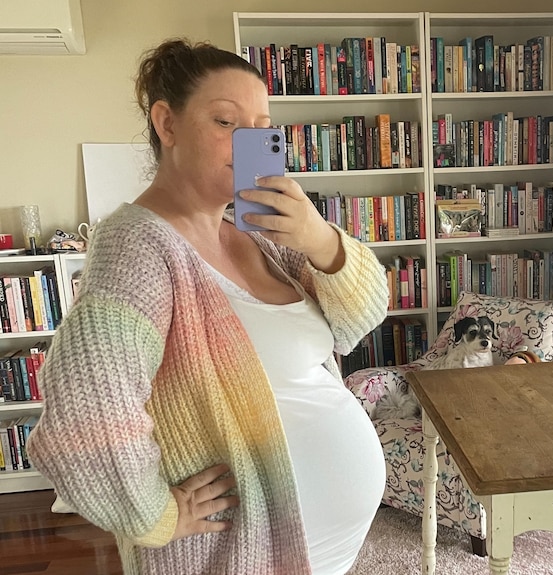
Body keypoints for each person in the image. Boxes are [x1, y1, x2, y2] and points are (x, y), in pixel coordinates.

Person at [28, 38, 390, 575]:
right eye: (225, 122)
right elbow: (82, 419)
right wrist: (157, 514)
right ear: (167, 124)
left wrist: (320, 239)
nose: (249, 142)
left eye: (261, 126)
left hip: (321, 552)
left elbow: (361, 316)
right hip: (237, 555)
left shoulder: (261, 233)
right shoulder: (138, 247)